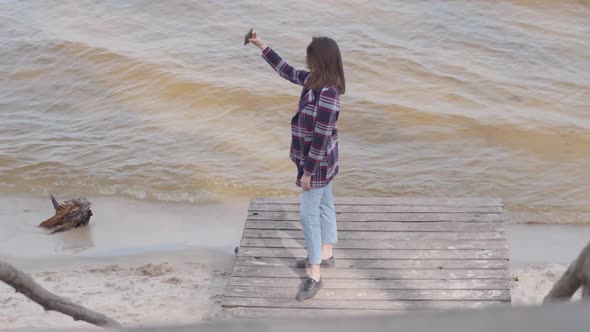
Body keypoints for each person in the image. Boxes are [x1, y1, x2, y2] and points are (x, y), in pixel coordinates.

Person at [248, 31, 345, 301]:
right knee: (325, 204)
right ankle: (326, 254)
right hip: (323, 161)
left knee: (308, 215)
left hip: (318, 163)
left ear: (320, 59)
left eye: (310, 55)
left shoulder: (328, 93)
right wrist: (261, 45)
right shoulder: (314, 81)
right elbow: (287, 71)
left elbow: (322, 136)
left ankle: (314, 274)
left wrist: (308, 172)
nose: (306, 58)